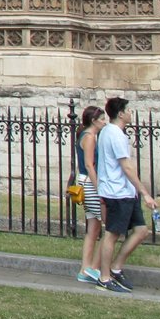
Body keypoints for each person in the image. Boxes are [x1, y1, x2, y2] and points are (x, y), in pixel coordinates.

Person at [95, 96, 157, 293]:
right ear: (120, 113)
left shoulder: (110, 132)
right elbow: (126, 166)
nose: (131, 113)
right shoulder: (114, 134)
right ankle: (104, 278)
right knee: (112, 235)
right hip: (117, 192)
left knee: (141, 230)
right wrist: (145, 192)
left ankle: (115, 267)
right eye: (129, 110)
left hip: (125, 192)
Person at [73, 105, 105, 284]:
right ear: (93, 121)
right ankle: (93, 267)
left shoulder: (84, 135)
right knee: (109, 227)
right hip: (90, 183)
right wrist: (99, 186)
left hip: (84, 181)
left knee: (93, 227)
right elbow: (90, 164)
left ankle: (85, 268)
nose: (104, 122)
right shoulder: (90, 137)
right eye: (101, 119)